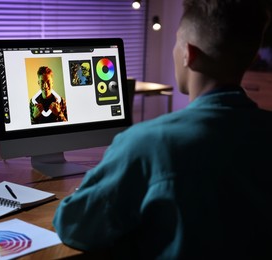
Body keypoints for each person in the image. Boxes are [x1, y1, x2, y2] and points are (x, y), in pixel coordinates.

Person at [52, 0, 272, 258]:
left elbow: (74, 225)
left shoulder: (146, 143)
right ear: (251, 58)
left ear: (188, 53)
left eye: (176, 41)